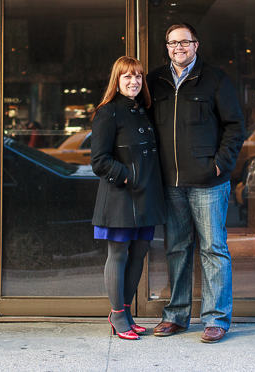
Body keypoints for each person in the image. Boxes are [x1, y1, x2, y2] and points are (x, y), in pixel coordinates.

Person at [148, 23, 245, 344]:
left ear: (196, 45)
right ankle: (176, 315)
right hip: (170, 183)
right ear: (167, 47)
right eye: (173, 43)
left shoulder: (215, 78)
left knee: (213, 249)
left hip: (208, 182)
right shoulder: (156, 81)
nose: (179, 47)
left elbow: (234, 126)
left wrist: (220, 165)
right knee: (176, 249)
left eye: (185, 42)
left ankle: (216, 319)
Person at [91, 56, 166, 340]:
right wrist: (127, 176)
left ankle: (127, 310)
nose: (134, 82)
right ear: (117, 81)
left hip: (146, 196)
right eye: (127, 77)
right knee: (119, 254)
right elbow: (99, 159)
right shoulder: (107, 112)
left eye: (138, 77)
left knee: (139, 254)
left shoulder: (143, 110)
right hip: (121, 196)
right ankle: (117, 315)